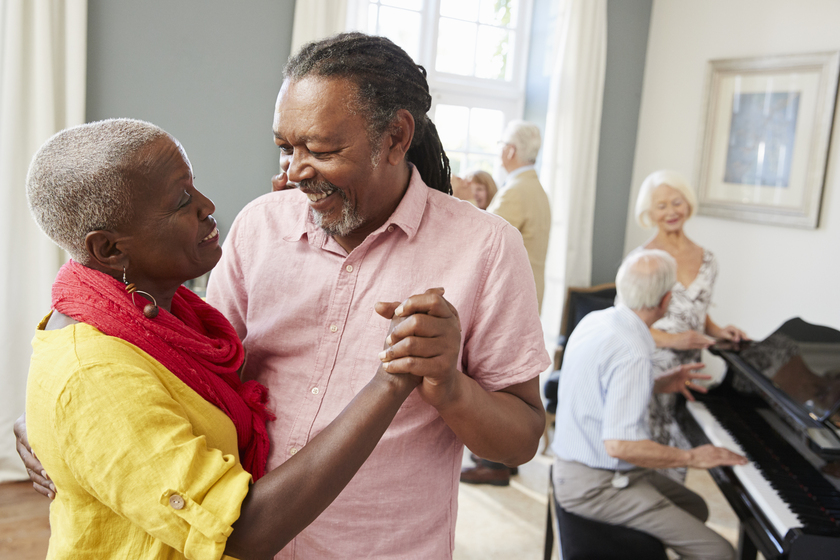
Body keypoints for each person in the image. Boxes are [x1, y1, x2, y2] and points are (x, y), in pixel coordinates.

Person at [19, 118, 460, 559]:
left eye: (196, 187)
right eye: (181, 201)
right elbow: (241, 532)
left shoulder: (163, 318)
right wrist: (391, 379)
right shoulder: (94, 376)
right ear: (110, 250)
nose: (208, 206)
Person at [205, 32, 549, 559]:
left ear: (395, 137)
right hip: (238, 542)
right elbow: (193, 371)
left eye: (320, 150)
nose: (294, 172)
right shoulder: (257, 227)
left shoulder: (485, 248)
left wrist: (449, 386)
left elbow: (522, 439)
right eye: (285, 147)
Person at [551, 249, 748, 560]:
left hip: (571, 467)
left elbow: (601, 391)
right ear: (667, 300)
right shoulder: (633, 350)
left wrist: (658, 384)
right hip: (595, 485)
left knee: (696, 507)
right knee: (720, 552)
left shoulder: (598, 321)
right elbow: (620, 445)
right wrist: (692, 457)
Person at [630, 170, 748, 480]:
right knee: (649, 455)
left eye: (676, 202)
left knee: (680, 455)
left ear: (688, 204)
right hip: (652, 370)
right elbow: (626, 325)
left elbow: (697, 310)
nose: (671, 212)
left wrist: (718, 331)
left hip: (689, 375)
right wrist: (674, 341)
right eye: (661, 205)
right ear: (649, 212)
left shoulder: (707, 259)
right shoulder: (643, 261)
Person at [460, 120, 550, 486]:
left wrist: (462, 201)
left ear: (510, 152)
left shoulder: (515, 192)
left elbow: (480, 241)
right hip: (532, 292)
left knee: (492, 378)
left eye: (500, 145)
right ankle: (504, 461)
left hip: (508, 297)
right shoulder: (536, 189)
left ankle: (492, 462)